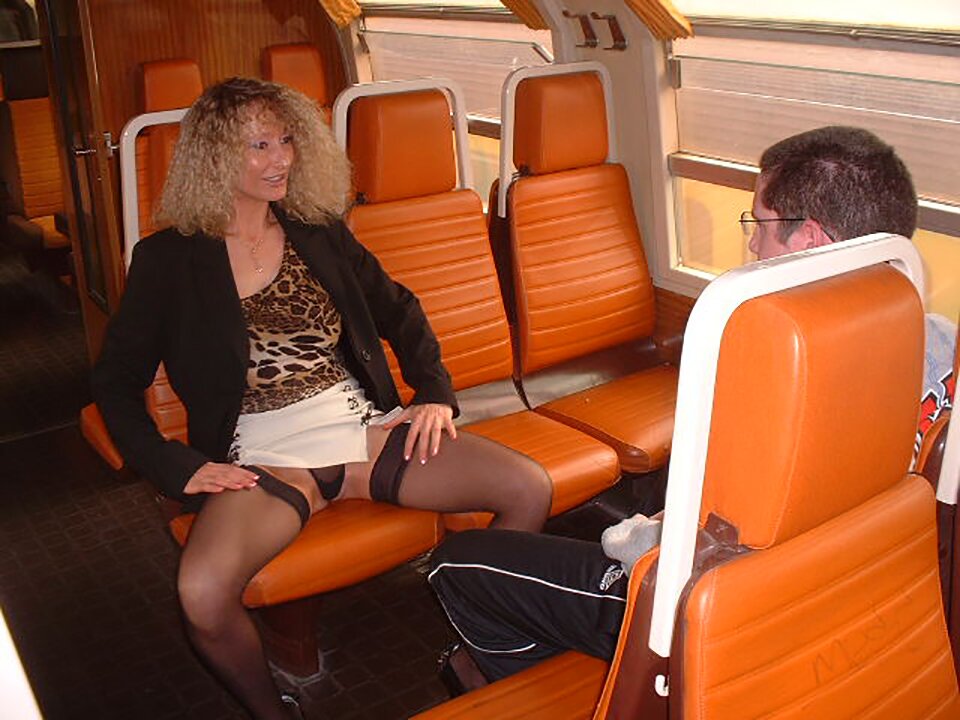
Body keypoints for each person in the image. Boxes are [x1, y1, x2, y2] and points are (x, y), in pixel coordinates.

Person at [427, 125, 957, 688]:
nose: (752, 246)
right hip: (862, 591)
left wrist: (624, 539)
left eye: (760, 224)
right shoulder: (941, 345)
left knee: (459, 563)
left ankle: (558, 688)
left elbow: (694, 550)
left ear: (810, 239)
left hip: (720, 619)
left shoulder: (779, 378)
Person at [92, 77, 552, 720]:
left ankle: (479, 651)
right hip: (264, 457)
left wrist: (435, 393)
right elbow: (115, 383)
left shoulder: (317, 230)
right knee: (202, 595)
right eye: (258, 145)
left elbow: (401, 310)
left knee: (528, 487)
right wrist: (176, 465)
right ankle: (271, 710)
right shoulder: (165, 260)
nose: (280, 158)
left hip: (360, 430)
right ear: (215, 156)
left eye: (286, 140)